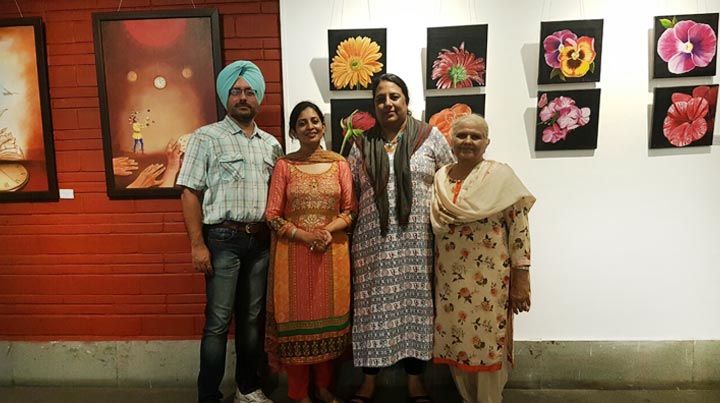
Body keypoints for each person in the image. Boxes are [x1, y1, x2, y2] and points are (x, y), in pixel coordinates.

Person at [176, 60, 282, 403]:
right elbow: (189, 192)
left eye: (249, 91)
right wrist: (197, 245)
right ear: (226, 96)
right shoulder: (206, 137)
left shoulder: (271, 145)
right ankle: (208, 394)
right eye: (236, 91)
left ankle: (247, 388)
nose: (243, 97)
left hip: (261, 242)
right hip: (222, 240)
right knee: (218, 321)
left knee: (252, 320)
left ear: (258, 97)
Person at [347, 74, 455, 403]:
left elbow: (450, 179)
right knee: (371, 310)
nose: (388, 103)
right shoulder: (361, 145)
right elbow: (350, 192)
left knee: (417, 309)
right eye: (380, 99)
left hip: (418, 244)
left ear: (407, 101)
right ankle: (368, 382)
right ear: (374, 106)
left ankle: (415, 382)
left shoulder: (430, 137)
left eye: (394, 96)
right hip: (372, 245)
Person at [430, 114, 535, 403]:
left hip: (491, 280)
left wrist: (522, 278)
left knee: (488, 340)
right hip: (449, 280)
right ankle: (467, 398)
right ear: (451, 141)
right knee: (456, 339)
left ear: (487, 142)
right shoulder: (441, 178)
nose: (468, 141)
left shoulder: (501, 177)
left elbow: (519, 230)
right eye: (461, 135)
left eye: (475, 136)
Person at [264, 101, 356, 403]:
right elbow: (272, 215)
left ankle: (324, 388)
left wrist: (327, 231)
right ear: (293, 131)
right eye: (302, 123)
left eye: (315, 120)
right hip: (293, 255)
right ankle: (298, 393)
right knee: (295, 324)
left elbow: (350, 210)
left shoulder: (339, 164)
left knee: (329, 321)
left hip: (332, 254)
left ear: (324, 126)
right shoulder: (285, 166)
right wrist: (305, 235)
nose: (310, 126)